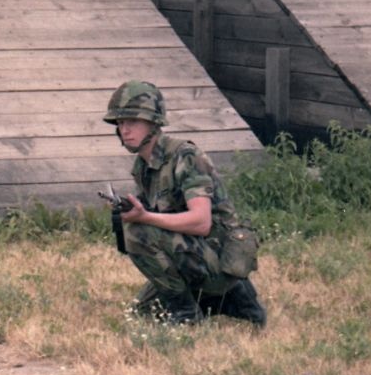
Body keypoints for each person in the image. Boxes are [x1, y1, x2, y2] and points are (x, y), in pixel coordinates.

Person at [102, 80, 266, 328]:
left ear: (154, 123)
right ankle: (232, 301)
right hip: (194, 252)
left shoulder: (184, 156)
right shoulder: (144, 166)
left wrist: (144, 217)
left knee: (138, 232)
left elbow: (201, 222)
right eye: (121, 123)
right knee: (144, 313)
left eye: (133, 122)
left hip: (218, 257)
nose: (125, 130)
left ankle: (190, 314)